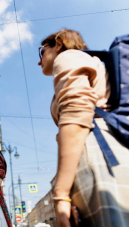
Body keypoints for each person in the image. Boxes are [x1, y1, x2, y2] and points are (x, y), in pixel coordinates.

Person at [38, 29, 129, 226]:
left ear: (59, 44)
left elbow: (76, 112)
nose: (40, 60)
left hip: (97, 151)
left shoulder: (68, 57)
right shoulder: (91, 61)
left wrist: (61, 193)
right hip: (110, 146)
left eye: (42, 51)